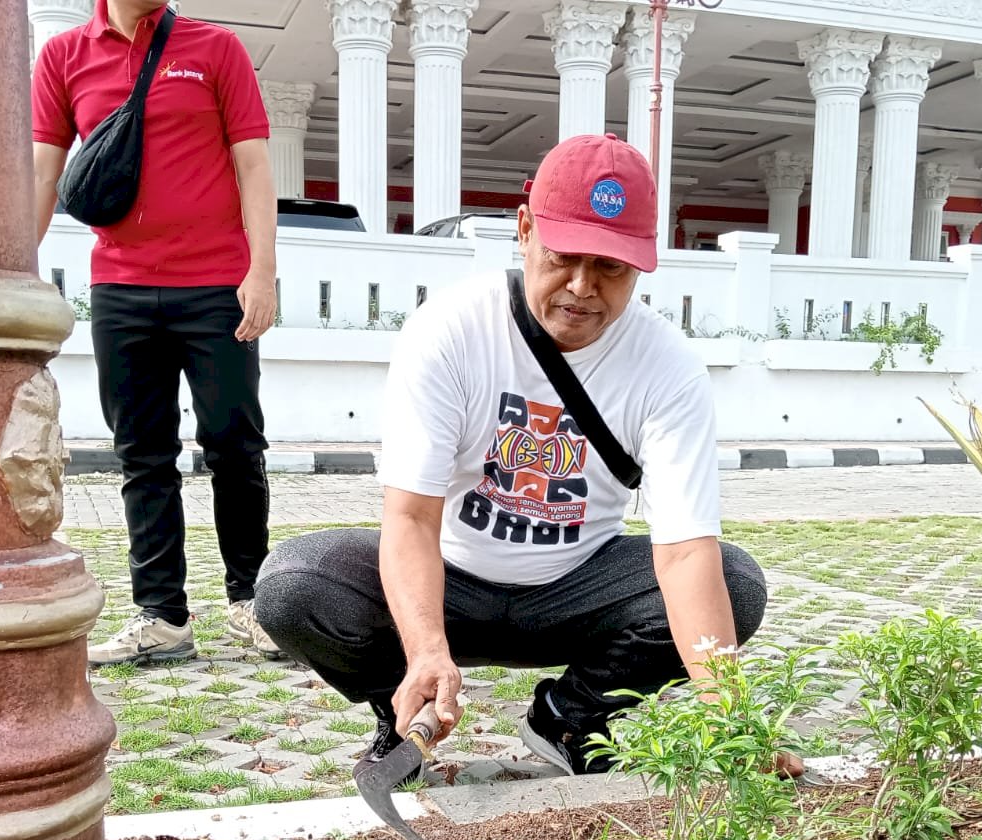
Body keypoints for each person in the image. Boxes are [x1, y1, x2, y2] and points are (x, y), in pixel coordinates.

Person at [253, 133, 767, 778]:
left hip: (576, 590)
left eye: (610, 267)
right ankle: (407, 711)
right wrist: (426, 650)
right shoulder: (451, 329)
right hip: (452, 582)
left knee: (736, 584)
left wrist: (736, 728)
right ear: (524, 231)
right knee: (295, 582)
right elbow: (410, 517)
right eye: (563, 257)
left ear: (641, 264)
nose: (581, 288)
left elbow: (686, 550)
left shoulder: (669, 368)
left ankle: (571, 716)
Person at [31, 0, 282, 666]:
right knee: (142, 453)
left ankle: (252, 602)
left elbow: (253, 163)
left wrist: (263, 273)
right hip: (121, 288)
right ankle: (163, 617)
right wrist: (14, 273)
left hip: (216, 285)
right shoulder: (64, 57)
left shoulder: (215, 49)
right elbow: (42, 170)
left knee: (233, 443)